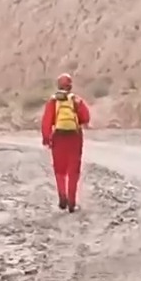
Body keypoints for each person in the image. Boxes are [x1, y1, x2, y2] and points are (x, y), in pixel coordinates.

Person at [41, 73, 92, 212]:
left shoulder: (53, 101)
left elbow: (46, 121)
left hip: (58, 137)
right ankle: (72, 202)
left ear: (58, 85)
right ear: (70, 86)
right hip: (74, 137)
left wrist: (46, 138)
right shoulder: (76, 100)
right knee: (73, 170)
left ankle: (62, 197)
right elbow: (86, 117)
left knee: (60, 169)